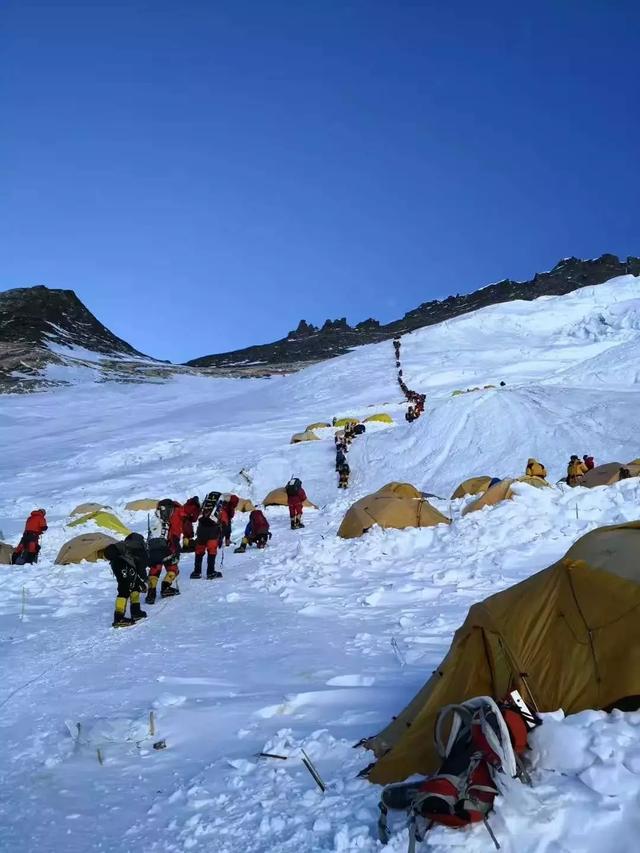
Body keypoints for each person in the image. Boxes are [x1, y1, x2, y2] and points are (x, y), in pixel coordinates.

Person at [104, 533, 149, 628]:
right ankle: (119, 618)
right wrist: (144, 580)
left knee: (134, 587)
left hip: (117, 563)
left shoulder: (127, 546)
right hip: (123, 564)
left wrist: (140, 583)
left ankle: (136, 612)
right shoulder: (139, 549)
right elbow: (140, 567)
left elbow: (135, 571)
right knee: (124, 589)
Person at [190, 507, 222, 579]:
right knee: (212, 552)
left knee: (199, 552)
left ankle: (197, 572)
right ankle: (210, 572)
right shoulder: (218, 510)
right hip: (213, 534)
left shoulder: (203, 508)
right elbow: (222, 523)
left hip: (201, 533)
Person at [145, 535, 177, 604]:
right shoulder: (168, 529)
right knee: (173, 569)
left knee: (155, 568)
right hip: (165, 548)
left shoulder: (152, 528)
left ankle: (151, 593)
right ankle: (165, 587)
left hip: (152, 550)